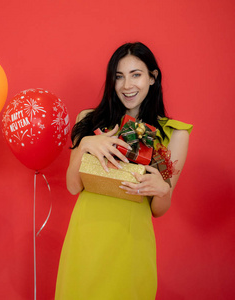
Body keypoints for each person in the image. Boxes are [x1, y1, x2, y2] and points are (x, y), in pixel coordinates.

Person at [55, 42, 193, 299]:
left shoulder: (174, 134)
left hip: (131, 243)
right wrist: (86, 144)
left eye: (136, 75)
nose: (127, 85)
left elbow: (158, 209)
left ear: (153, 77)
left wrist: (163, 189)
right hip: (86, 238)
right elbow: (73, 186)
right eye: (119, 77)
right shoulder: (90, 119)